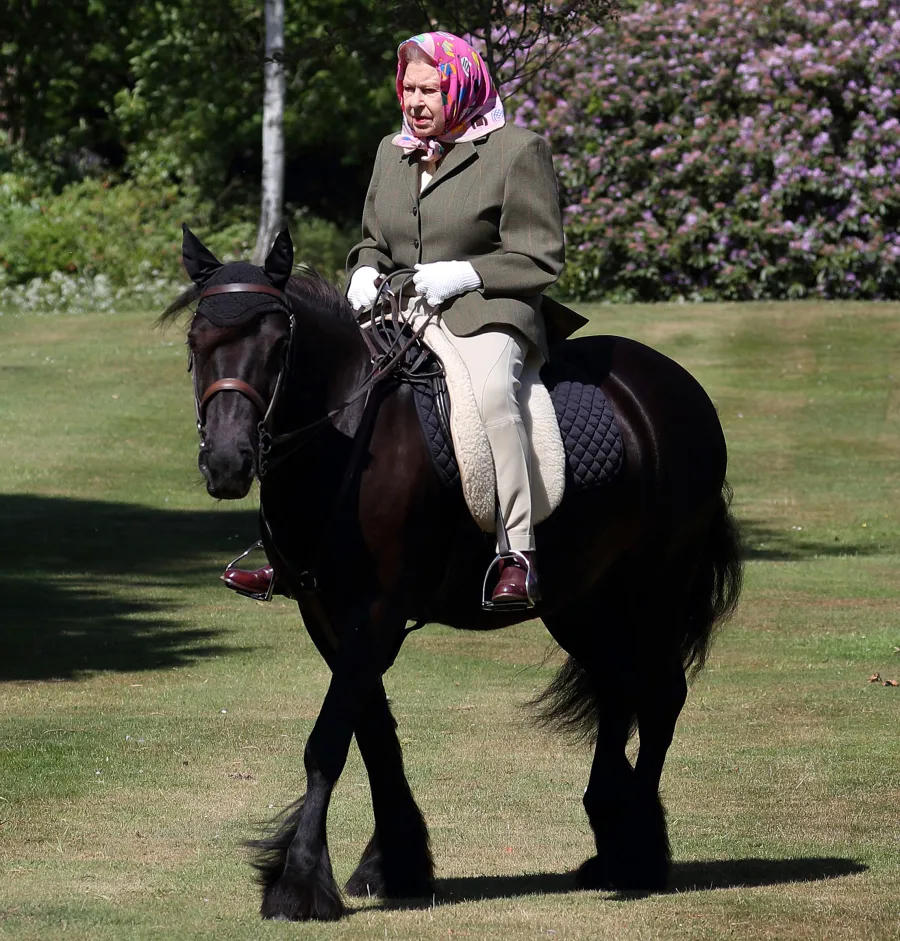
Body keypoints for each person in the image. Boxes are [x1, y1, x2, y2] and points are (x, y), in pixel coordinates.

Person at [225, 30, 579, 606]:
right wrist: (363, 270)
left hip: (484, 310)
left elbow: (540, 256)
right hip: (398, 310)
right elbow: (372, 241)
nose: (415, 102)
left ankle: (517, 552)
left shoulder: (517, 151)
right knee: (309, 386)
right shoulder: (392, 152)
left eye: (430, 91)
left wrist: (467, 273)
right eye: (409, 89)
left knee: (492, 396)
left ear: (462, 86)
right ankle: (285, 549)